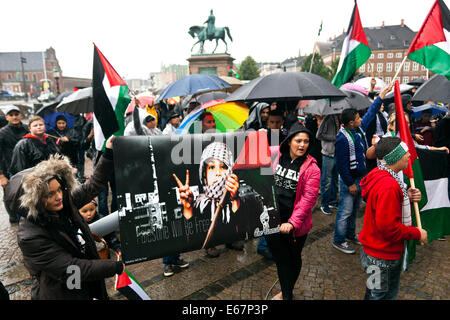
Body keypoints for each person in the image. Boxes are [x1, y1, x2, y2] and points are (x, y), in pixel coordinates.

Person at [16, 136, 126, 300]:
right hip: (63, 292)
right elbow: (72, 269)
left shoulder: (62, 202)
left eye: (59, 189)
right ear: (35, 199)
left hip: (88, 284)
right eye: (50, 194)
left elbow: (93, 185)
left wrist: (108, 154)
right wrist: (115, 266)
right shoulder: (29, 236)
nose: (59, 197)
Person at [359, 136, 427, 300]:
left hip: (375, 253)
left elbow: (382, 206)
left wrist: (406, 197)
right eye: (405, 153)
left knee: (374, 292)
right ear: (394, 158)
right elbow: (389, 228)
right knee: (381, 296)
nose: (409, 156)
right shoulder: (389, 185)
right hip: (382, 256)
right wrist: (417, 233)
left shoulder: (381, 175)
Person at [333, 83, 393, 254]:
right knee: (345, 211)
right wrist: (350, 183)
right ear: (351, 123)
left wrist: (381, 95)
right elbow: (342, 164)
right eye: (358, 118)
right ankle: (339, 239)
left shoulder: (358, 129)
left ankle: (350, 235)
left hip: (361, 177)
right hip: (350, 180)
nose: (361, 119)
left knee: (353, 210)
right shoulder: (342, 139)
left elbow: (371, 112)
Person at [266, 121, 320, 300]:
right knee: (282, 259)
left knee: (294, 259)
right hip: (272, 220)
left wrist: (292, 223)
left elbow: (308, 199)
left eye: (306, 141)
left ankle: (285, 294)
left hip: (294, 226)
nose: (302, 145)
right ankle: (286, 294)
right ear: (289, 141)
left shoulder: (312, 168)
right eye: (298, 141)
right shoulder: (274, 155)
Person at [0, 105, 29, 222]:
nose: (14, 117)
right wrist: (1, 175)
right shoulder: (2, 133)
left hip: (27, 168)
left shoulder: (27, 128)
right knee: (11, 196)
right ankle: (14, 218)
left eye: (16, 114)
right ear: (6, 117)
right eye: (11, 115)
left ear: (20, 115)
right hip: (9, 170)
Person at [316, 114, 340, 215]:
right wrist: (334, 137)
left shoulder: (338, 118)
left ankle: (332, 201)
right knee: (326, 181)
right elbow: (319, 135)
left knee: (334, 179)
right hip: (327, 154)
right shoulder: (327, 118)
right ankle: (324, 204)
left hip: (336, 153)